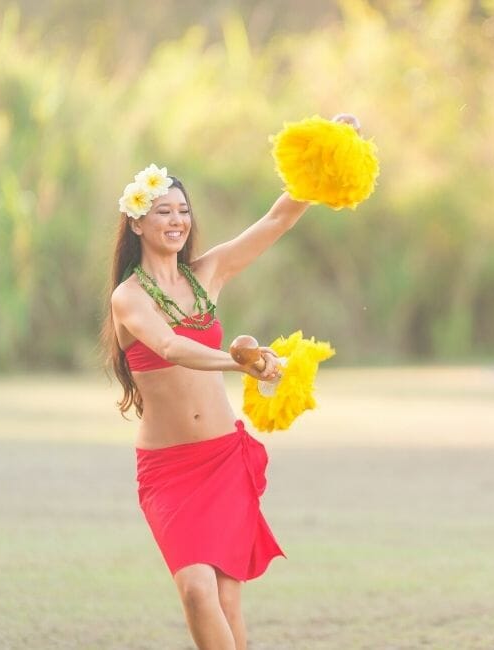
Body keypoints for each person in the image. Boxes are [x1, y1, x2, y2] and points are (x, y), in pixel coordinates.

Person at [100, 114, 359, 650]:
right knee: (196, 590)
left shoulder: (208, 273)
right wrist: (240, 362)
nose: (176, 220)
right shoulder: (129, 297)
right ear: (137, 224)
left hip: (222, 457)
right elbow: (170, 347)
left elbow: (276, 220)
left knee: (228, 600)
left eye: (183, 211)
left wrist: (328, 150)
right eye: (162, 211)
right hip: (170, 470)